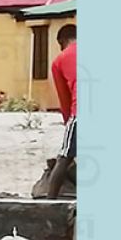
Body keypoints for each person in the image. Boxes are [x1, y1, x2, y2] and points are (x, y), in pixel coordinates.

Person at [46, 24, 77, 200]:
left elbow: (65, 100)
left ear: (62, 41)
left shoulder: (59, 60)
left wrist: (68, 121)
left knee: (64, 158)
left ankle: (49, 203)